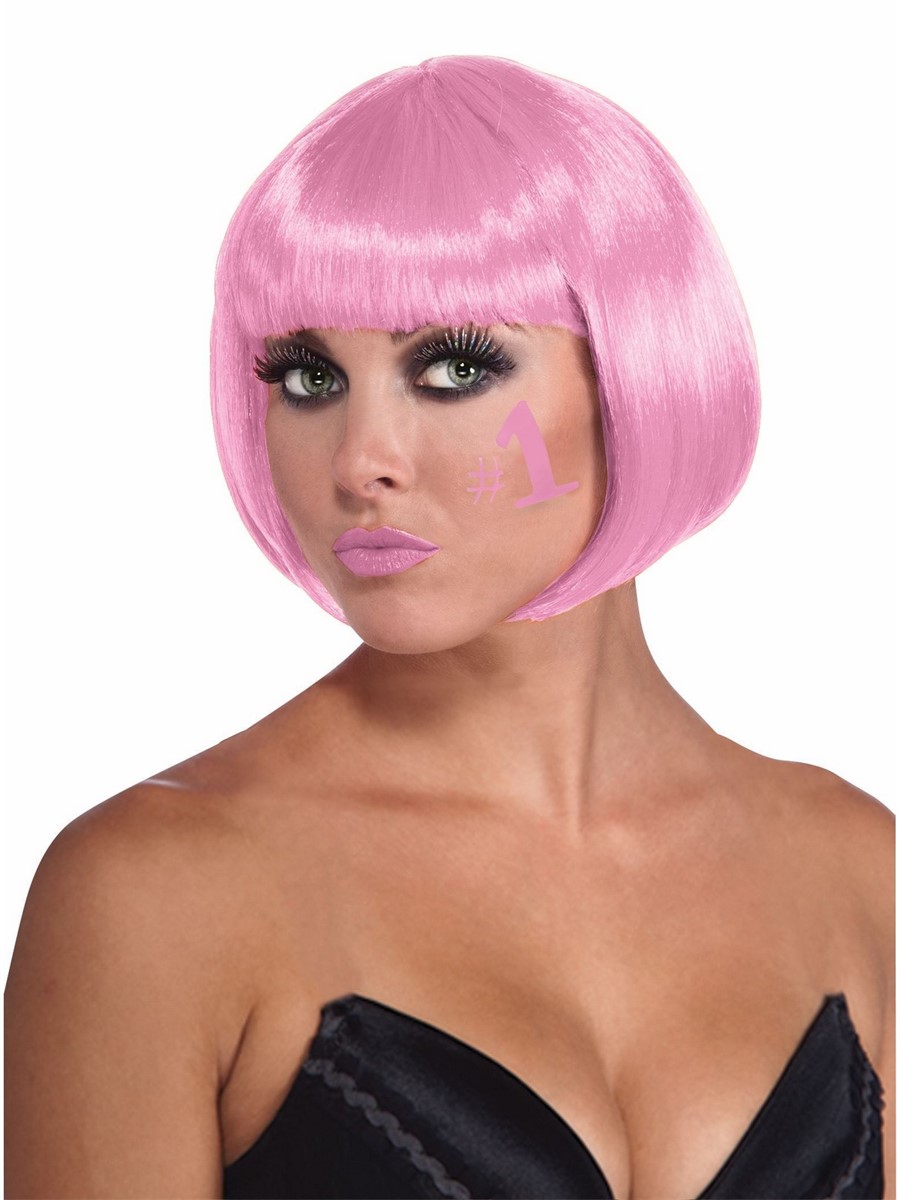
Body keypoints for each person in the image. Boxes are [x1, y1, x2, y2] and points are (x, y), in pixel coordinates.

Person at [4, 54, 893, 1200]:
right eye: (309, 377)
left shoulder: (857, 869)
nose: (361, 461)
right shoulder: (154, 894)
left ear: (636, 376)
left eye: (455, 366)